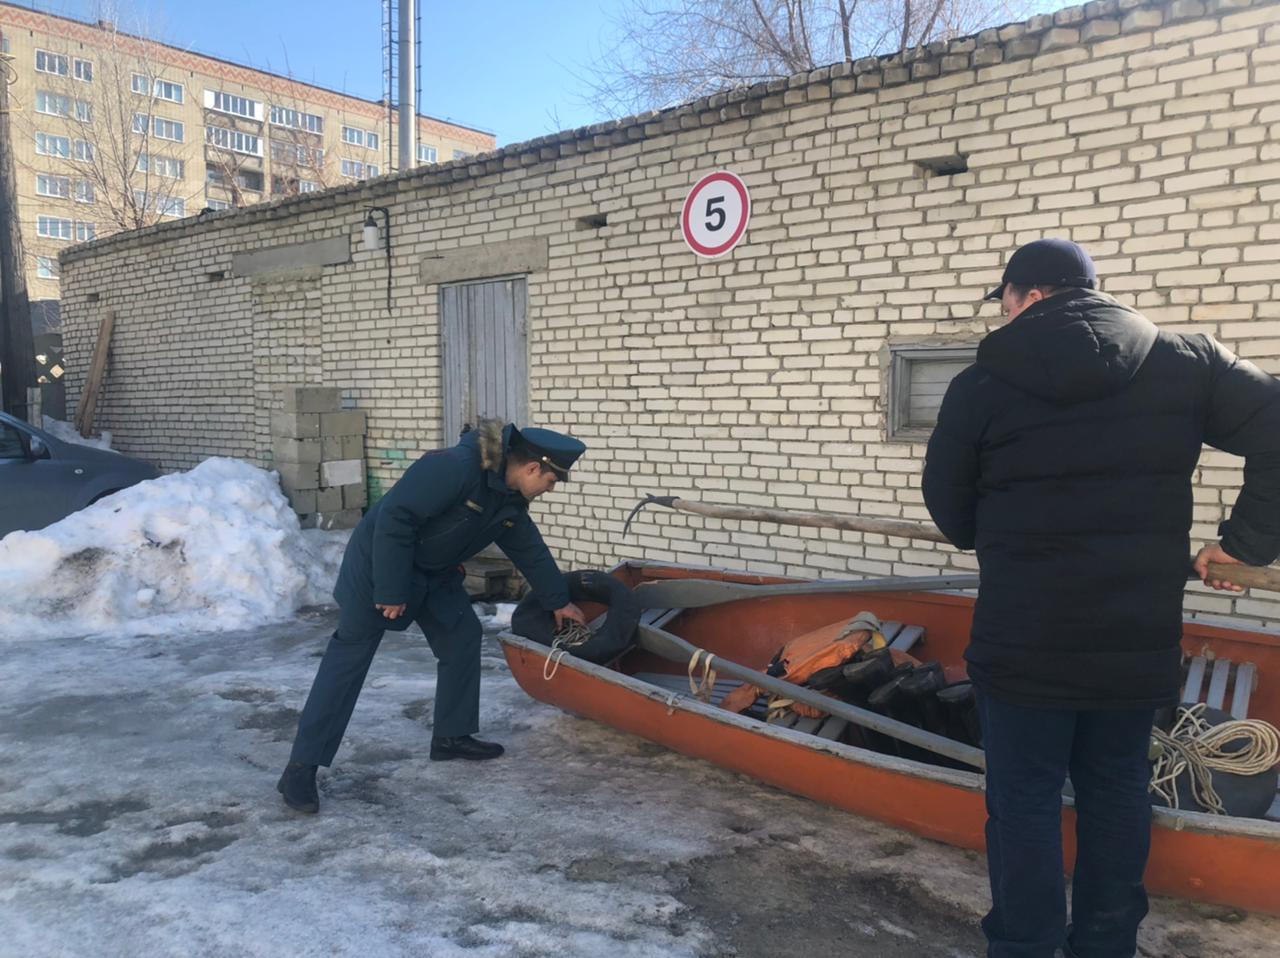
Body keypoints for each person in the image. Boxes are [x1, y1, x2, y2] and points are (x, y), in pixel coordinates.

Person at [921, 238, 1280, 958]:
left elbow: (952, 515)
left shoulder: (981, 383)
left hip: (1021, 646)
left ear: (1024, 296)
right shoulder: (1187, 362)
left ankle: (1025, 947)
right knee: (1116, 794)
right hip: (1132, 645)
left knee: (1022, 805)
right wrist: (1244, 544)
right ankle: (1106, 946)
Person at [278, 419, 588, 815]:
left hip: (433, 574)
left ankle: (452, 735)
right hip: (379, 568)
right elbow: (394, 519)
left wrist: (558, 600)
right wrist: (390, 590)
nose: (551, 489)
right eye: (551, 481)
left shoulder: (507, 497)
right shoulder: (453, 467)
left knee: (461, 635)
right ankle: (300, 768)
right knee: (348, 660)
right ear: (531, 468)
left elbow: (528, 547)